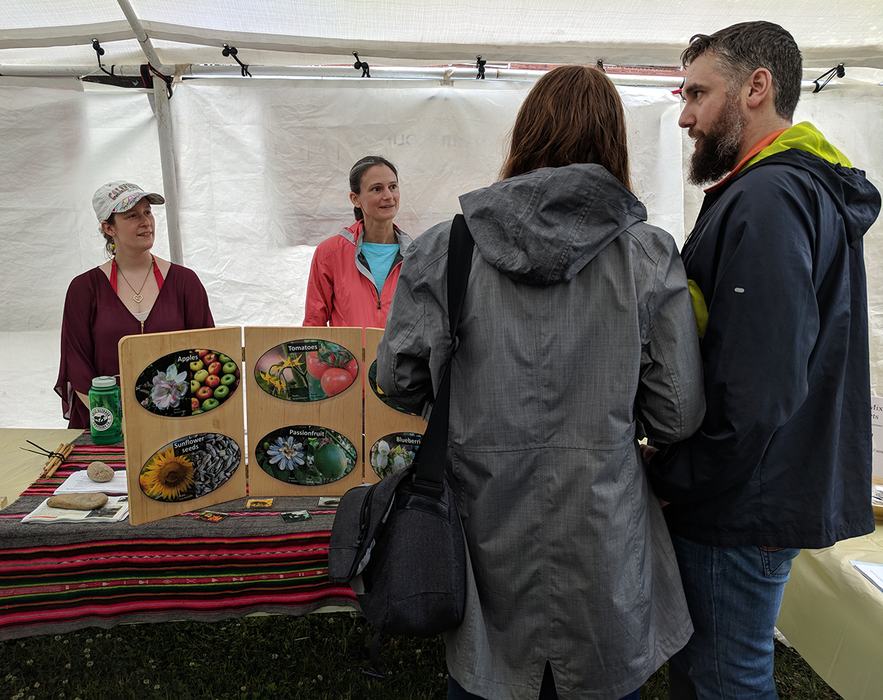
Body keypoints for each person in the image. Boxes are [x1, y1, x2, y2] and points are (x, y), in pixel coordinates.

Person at [376, 66, 705, 699]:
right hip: (602, 538)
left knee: (488, 681)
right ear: (613, 142)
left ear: (527, 132)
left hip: (483, 535)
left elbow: (398, 380)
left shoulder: (446, 248)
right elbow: (676, 413)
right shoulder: (647, 254)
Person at [644, 21, 880, 699]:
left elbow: (758, 384)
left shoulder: (770, 198)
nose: (685, 115)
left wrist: (681, 474)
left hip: (741, 500)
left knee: (726, 680)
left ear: (755, 87)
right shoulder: (782, 190)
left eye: (697, 93)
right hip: (759, 486)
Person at [55, 181, 214, 429]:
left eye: (148, 212)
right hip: (106, 425)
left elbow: (207, 353)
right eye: (132, 215)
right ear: (109, 227)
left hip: (176, 423)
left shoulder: (185, 282)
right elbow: (77, 366)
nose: (146, 222)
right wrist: (115, 421)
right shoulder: (84, 289)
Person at [303, 156, 412, 327]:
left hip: (398, 355)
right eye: (377, 189)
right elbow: (313, 324)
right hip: (347, 355)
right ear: (355, 199)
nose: (388, 196)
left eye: (393, 187)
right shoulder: (330, 253)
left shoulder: (418, 254)